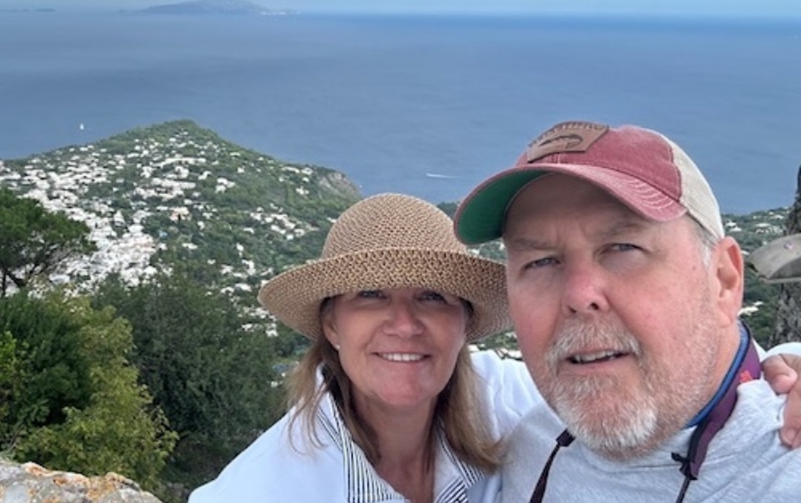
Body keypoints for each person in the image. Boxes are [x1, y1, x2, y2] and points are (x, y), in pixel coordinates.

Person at [453, 121, 801, 502]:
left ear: (724, 280)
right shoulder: (525, 438)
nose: (580, 294)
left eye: (622, 248)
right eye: (540, 262)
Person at [190, 193, 542, 503]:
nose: (404, 324)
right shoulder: (260, 491)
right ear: (332, 325)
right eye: (371, 294)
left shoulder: (506, 400)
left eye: (432, 296)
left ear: (465, 324)